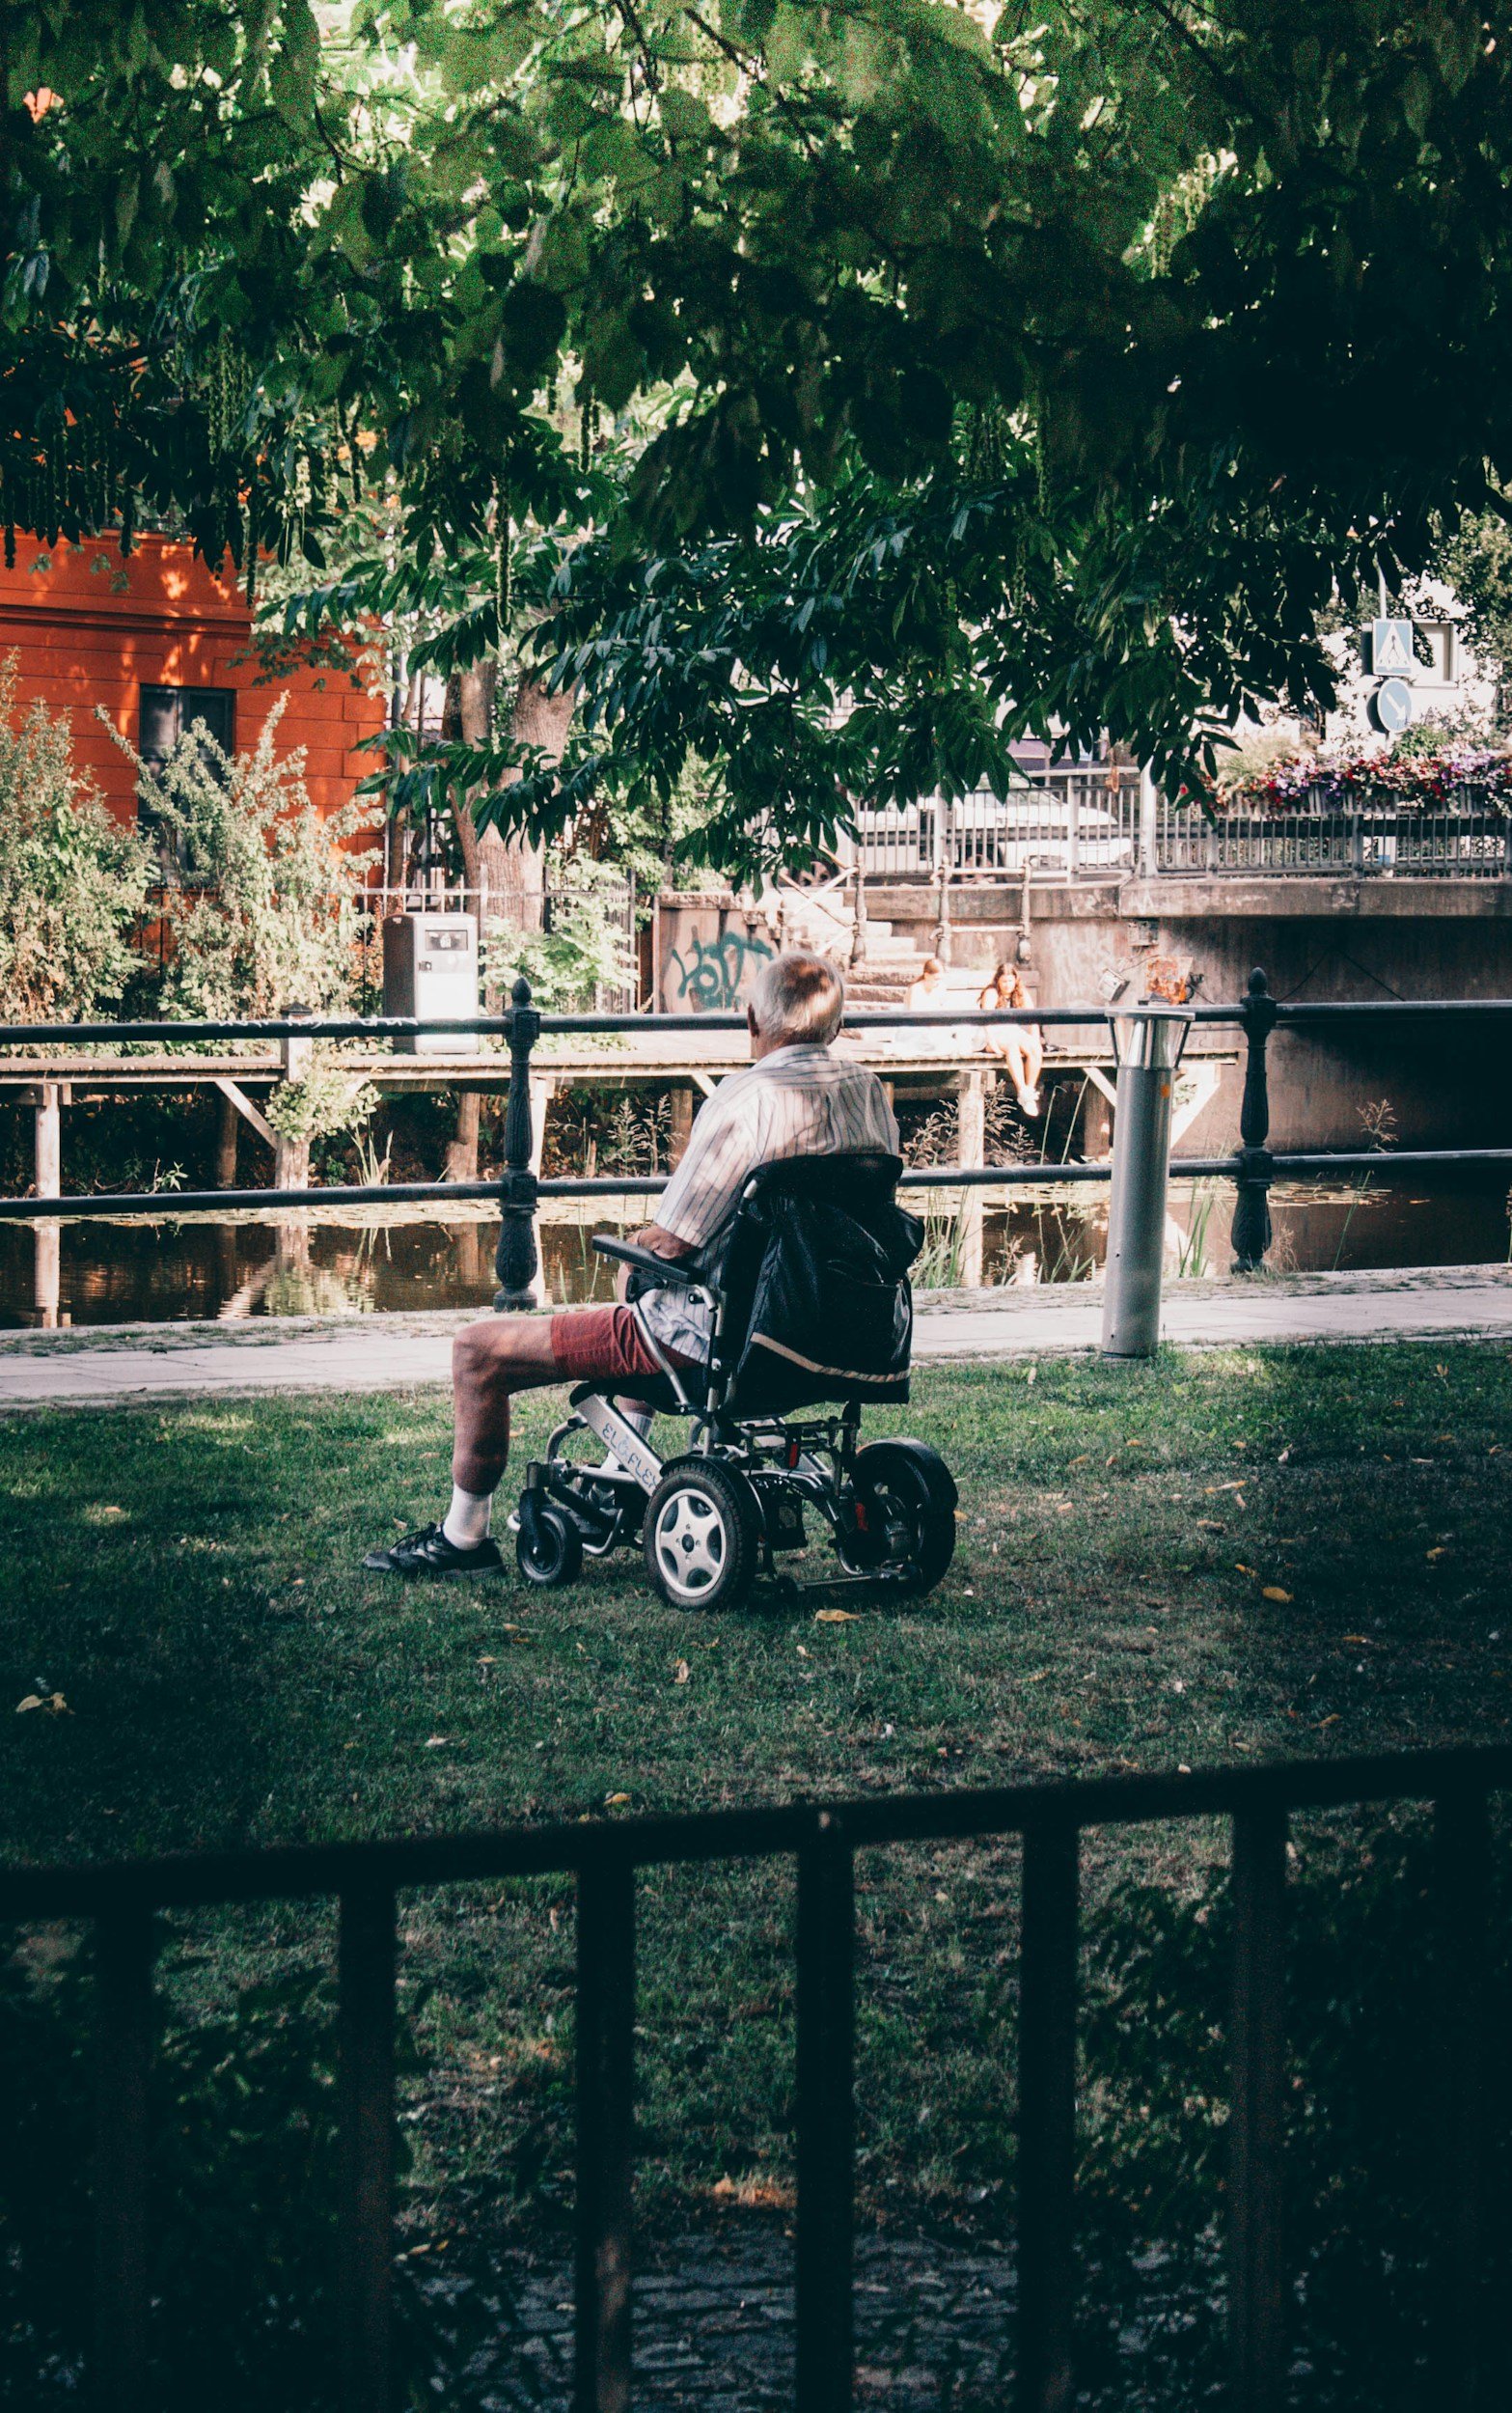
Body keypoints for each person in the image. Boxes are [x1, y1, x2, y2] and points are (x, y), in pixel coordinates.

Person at [363, 950, 898, 1577]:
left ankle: (462, 1538)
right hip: (840, 1331)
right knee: (648, 1288)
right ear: (835, 1024)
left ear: (753, 1017)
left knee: (479, 1349)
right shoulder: (867, 1092)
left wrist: (633, 1244)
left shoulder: (746, 1098)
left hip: (717, 1340)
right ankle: (620, 1470)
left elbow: (674, 1242)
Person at [978, 957, 1043, 1116]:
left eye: (1010, 981)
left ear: (1015, 980)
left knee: (1034, 1048)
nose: (1007, 985)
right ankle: (1021, 1089)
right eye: (1004, 981)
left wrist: (1036, 1038)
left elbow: (1033, 1017)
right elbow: (986, 1020)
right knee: (1012, 1047)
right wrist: (992, 1043)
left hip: (1013, 1031)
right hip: (993, 1033)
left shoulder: (1020, 993)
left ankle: (1029, 1091)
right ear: (998, 981)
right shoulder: (992, 992)